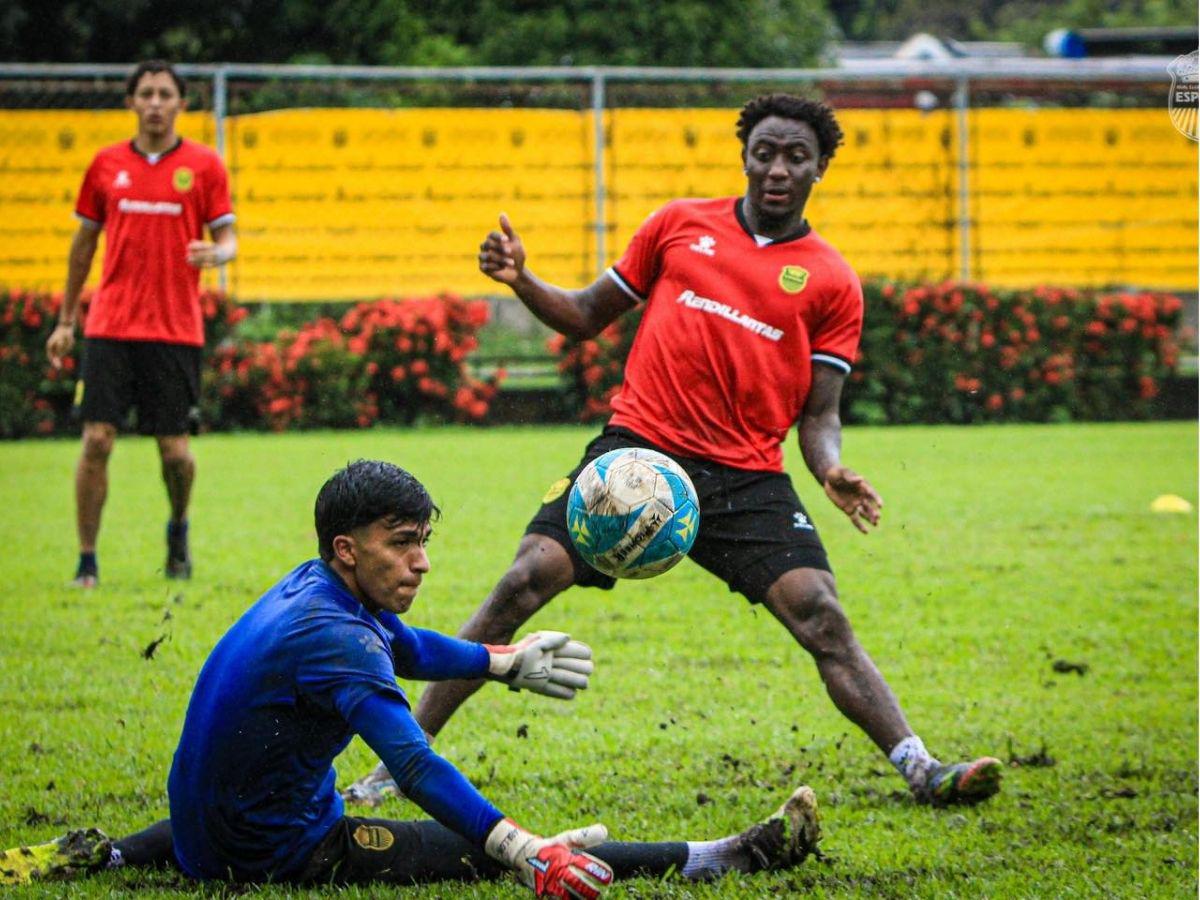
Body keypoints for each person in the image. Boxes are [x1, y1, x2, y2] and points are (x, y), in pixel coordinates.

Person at [345, 94, 1002, 809]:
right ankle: (395, 767)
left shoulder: (833, 280)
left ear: (820, 169)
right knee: (521, 582)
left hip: (744, 476)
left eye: (796, 157)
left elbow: (820, 413)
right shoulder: (678, 225)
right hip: (636, 457)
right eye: (765, 153)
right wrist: (522, 280)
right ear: (745, 155)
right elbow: (585, 315)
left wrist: (831, 468)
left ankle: (921, 768)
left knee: (821, 613)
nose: (778, 168)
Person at [0, 460, 822, 895]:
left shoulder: (312, 586)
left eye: (423, 538)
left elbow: (404, 645)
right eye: (403, 542)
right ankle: (722, 856)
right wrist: (520, 845)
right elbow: (416, 766)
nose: (422, 560)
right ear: (349, 548)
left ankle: (108, 855)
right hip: (271, 852)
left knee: (245, 789)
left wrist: (503, 662)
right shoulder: (336, 640)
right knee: (481, 855)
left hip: (206, 822)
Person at [45, 59, 237, 588]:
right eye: (146, 94)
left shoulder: (203, 165)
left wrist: (218, 256)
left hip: (175, 330)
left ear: (180, 103)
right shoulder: (106, 165)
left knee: (175, 452)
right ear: (131, 102)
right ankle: (87, 561)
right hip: (110, 325)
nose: (155, 103)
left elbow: (229, 239)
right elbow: (82, 245)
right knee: (97, 440)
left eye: (165, 94)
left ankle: (178, 527)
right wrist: (66, 320)